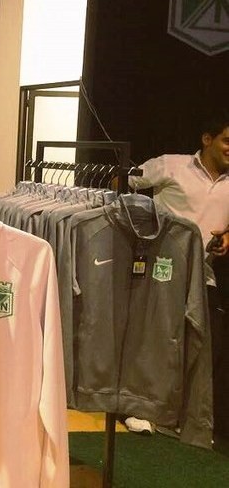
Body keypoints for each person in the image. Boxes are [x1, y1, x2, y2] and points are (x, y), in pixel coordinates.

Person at [129, 115, 229, 436]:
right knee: (155, 341)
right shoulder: (171, 165)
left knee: (201, 346)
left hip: (204, 276)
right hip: (162, 272)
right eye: (227, 140)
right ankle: (140, 409)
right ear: (207, 139)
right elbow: (126, 182)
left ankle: (182, 416)